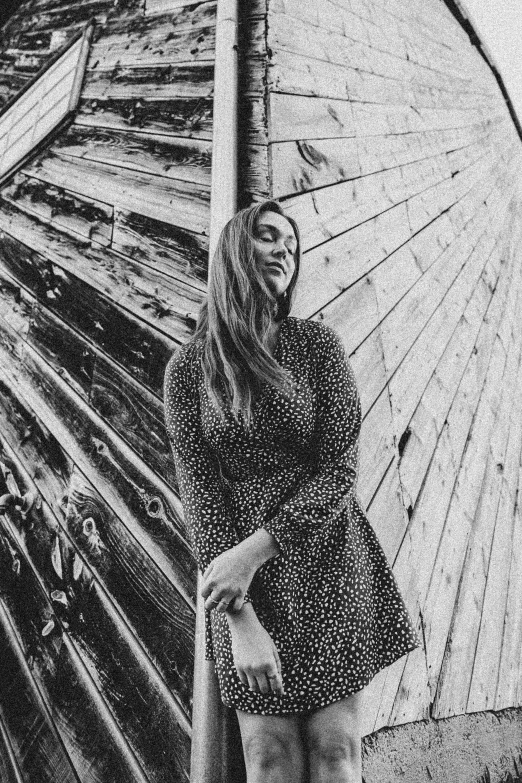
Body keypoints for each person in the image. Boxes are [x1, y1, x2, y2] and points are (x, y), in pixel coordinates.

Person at [163, 200, 420, 783]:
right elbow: (203, 504)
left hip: (327, 558)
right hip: (243, 594)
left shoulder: (316, 347)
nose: (286, 250)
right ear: (235, 251)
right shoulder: (188, 371)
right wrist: (239, 618)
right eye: (270, 237)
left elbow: (339, 470)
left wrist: (253, 553)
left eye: (294, 245)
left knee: (334, 752)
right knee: (268, 759)